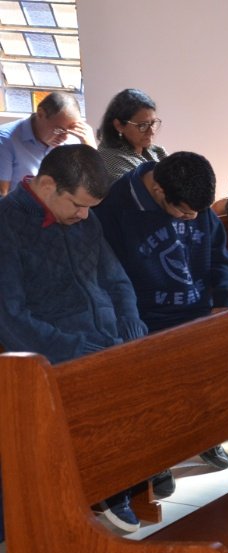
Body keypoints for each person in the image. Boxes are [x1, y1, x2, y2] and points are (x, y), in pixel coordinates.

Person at [0, 144, 149, 533]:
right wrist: (75, 349)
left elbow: (115, 280)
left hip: (105, 340)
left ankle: (128, 478)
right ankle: (107, 488)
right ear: (47, 185)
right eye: (78, 206)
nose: (84, 216)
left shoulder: (83, 218)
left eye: (90, 208)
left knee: (161, 387)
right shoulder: (6, 225)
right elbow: (12, 318)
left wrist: (130, 323)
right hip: (53, 352)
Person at [93, 151, 228, 472]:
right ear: (160, 191)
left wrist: (224, 302)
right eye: (184, 213)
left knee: (204, 390)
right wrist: (130, 326)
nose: (192, 218)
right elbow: (110, 277)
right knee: (155, 402)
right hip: (148, 323)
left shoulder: (194, 201)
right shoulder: (115, 207)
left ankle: (204, 439)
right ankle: (158, 462)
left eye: (197, 213)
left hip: (198, 313)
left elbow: (220, 256)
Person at [0, 91, 97, 195]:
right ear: (41, 114)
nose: (65, 137)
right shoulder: (5, 140)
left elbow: (93, 188)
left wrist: (90, 148)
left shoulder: (75, 139)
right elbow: (3, 196)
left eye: (70, 131)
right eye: (59, 130)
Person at [96, 89, 167, 181]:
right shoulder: (112, 161)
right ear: (119, 126)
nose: (151, 131)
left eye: (153, 123)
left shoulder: (157, 151)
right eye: (143, 125)